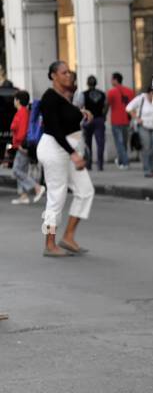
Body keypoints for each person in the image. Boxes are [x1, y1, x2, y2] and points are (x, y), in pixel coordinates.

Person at [35, 61, 94, 256]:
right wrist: (74, 154)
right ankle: (49, 243)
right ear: (53, 75)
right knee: (56, 196)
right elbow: (55, 129)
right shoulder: (49, 98)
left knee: (85, 191)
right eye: (64, 72)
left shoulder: (64, 97)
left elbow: (67, 118)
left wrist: (82, 113)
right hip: (54, 150)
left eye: (69, 72)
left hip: (66, 150)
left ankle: (68, 237)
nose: (68, 75)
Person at [8, 89, 44, 205]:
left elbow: (23, 131)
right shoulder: (24, 112)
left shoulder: (22, 112)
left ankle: (37, 187)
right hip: (23, 145)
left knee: (17, 170)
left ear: (17, 101)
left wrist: (19, 145)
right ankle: (23, 196)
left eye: (15, 99)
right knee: (21, 170)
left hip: (23, 146)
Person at [127, 82, 153, 178]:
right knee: (146, 148)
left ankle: (151, 166)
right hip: (143, 126)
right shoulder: (141, 99)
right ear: (150, 93)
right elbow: (128, 108)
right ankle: (147, 170)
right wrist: (137, 118)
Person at [106, 72, 136, 169]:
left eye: (112, 79)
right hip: (126, 120)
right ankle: (121, 160)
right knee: (123, 143)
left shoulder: (111, 92)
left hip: (116, 120)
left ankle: (125, 162)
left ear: (115, 80)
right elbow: (134, 106)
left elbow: (107, 105)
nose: (111, 81)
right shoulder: (130, 91)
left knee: (119, 143)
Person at [79, 74, 108, 171]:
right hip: (99, 120)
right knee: (100, 143)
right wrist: (103, 116)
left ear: (87, 83)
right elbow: (106, 106)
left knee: (88, 143)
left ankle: (89, 164)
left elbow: (80, 106)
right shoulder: (102, 94)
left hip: (88, 119)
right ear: (96, 83)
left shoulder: (84, 94)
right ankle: (100, 165)